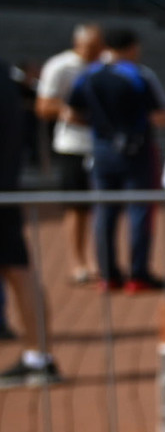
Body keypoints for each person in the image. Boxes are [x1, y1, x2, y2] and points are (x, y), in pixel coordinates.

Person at [67, 27, 165, 292]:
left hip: (101, 151)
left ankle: (108, 275)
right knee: (139, 211)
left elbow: (72, 111)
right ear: (132, 47)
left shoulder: (88, 74)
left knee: (104, 212)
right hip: (136, 151)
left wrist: (98, 126)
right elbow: (161, 116)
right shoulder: (138, 75)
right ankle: (138, 275)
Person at [0, 54, 58, 386]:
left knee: (19, 271)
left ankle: (39, 357)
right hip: (7, 188)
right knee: (19, 271)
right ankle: (39, 356)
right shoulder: (7, 77)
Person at [34, 22, 102, 284]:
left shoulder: (103, 64)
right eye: (90, 47)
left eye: (98, 47)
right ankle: (78, 262)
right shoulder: (60, 66)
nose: (95, 52)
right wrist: (72, 113)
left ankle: (98, 261)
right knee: (76, 207)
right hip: (72, 145)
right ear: (78, 44)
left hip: (101, 147)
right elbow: (43, 106)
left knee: (101, 208)